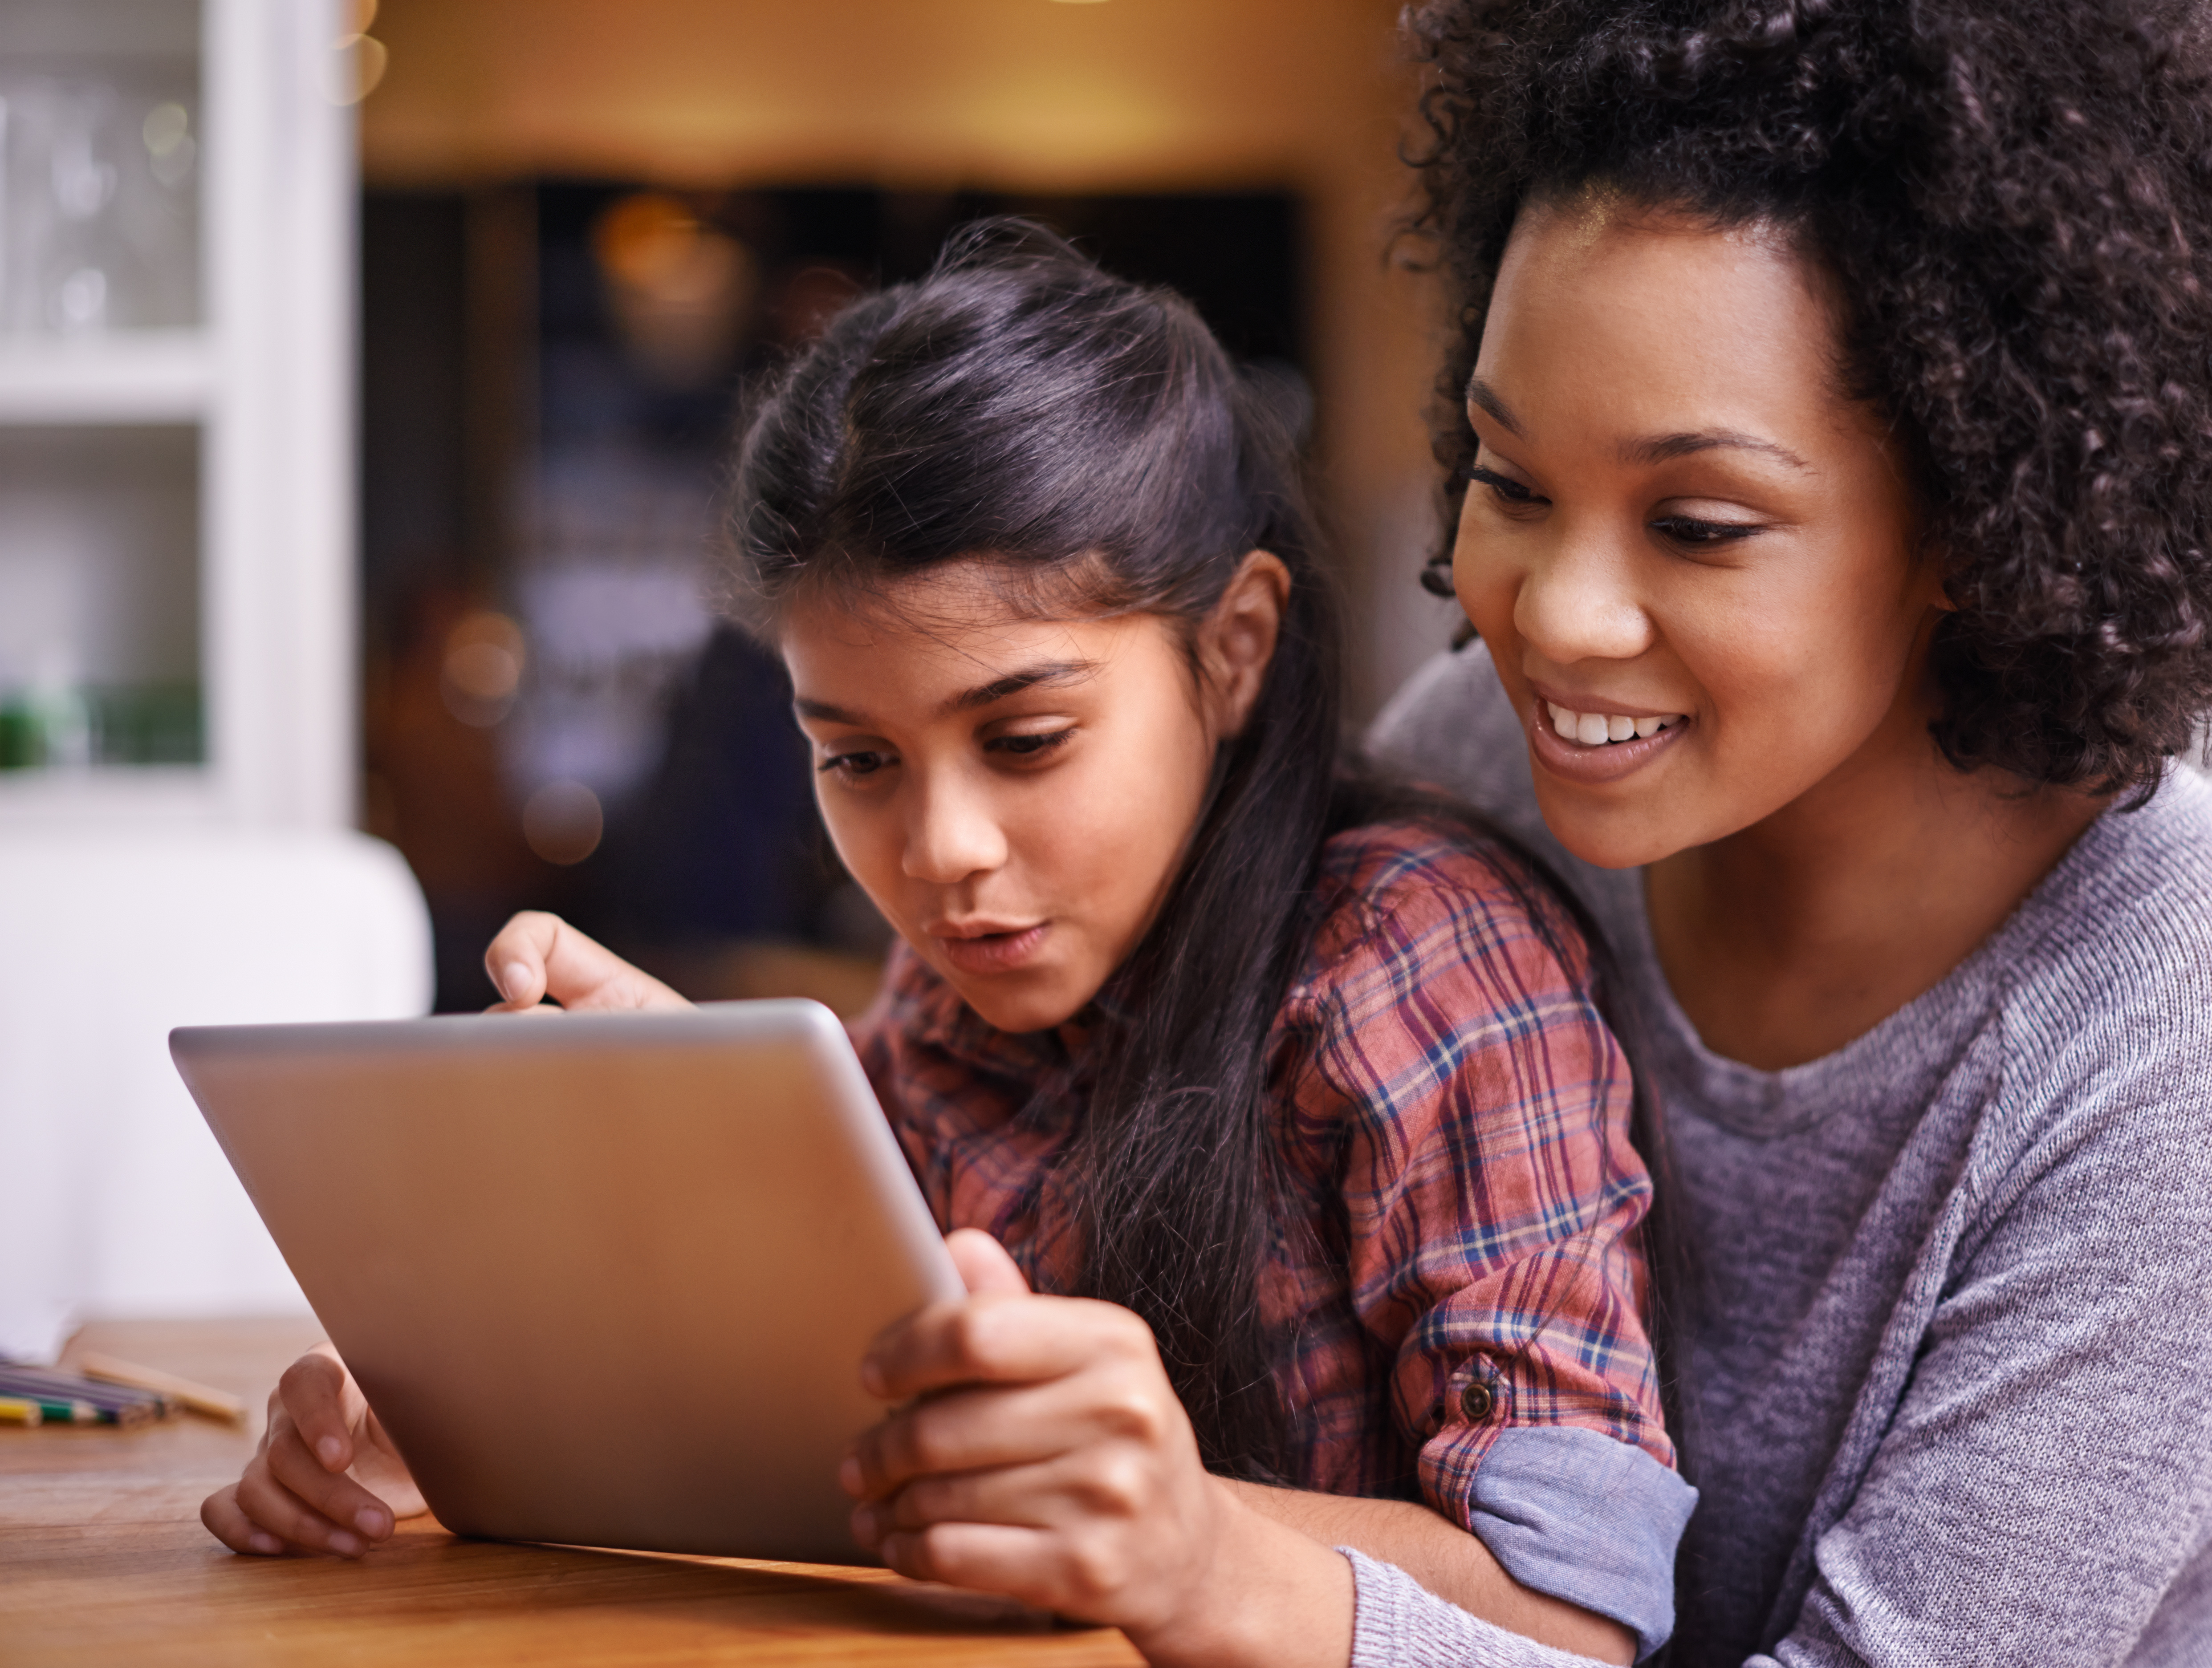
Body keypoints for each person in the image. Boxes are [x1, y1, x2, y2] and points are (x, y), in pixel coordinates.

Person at [199, 225, 1695, 1667]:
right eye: (857, 760)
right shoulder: (943, 1001)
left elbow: (1571, 1615)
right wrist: (458, 1424)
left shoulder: (1420, 970)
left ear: (1233, 649)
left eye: (1027, 737)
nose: (941, 853)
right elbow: (829, 1457)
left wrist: (1190, 1548)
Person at [1355, 0, 2212, 1664]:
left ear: (1977, 520)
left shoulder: (2203, 1022)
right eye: (1512, 478)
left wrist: (1251, 1586)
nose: (1555, 615)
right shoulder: (1466, 776)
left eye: (1697, 525)